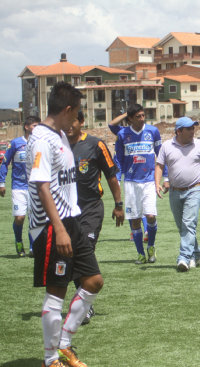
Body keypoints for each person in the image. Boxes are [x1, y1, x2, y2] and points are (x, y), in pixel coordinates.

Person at [26, 81, 103, 367]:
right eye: (77, 113)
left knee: (94, 281)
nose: (77, 119)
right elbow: (42, 186)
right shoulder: (41, 139)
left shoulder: (59, 135)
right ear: (68, 109)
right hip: (51, 226)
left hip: (72, 221)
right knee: (56, 292)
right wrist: (58, 229)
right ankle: (50, 359)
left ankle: (64, 344)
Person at [65, 111, 124, 325]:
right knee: (71, 256)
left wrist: (118, 205)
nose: (69, 126)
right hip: (67, 211)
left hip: (91, 208)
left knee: (86, 250)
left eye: (74, 121)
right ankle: (84, 302)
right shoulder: (58, 145)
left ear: (81, 122)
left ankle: (84, 306)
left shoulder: (95, 145)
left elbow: (111, 175)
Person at [155, 117, 200, 272]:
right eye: (189, 129)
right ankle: (196, 254)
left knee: (188, 223)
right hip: (175, 192)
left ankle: (183, 258)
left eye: (193, 128)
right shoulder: (167, 146)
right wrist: (157, 183)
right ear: (179, 131)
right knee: (183, 227)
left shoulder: (199, 144)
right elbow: (160, 166)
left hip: (194, 189)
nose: (192, 131)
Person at [114, 105, 163, 264]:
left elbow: (161, 156)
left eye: (143, 116)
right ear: (130, 119)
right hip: (130, 182)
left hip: (148, 181)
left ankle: (151, 246)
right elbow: (119, 160)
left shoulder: (153, 131)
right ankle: (141, 254)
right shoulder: (122, 134)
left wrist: (166, 177)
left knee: (150, 216)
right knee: (135, 220)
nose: (142, 119)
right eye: (138, 117)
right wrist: (118, 178)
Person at [0, 115, 39, 257]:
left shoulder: (39, 143)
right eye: (35, 125)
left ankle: (32, 247)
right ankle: (18, 241)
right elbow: (4, 163)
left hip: (35, 186)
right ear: (27, 127)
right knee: (20, 218)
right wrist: (1, 183)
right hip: (18, 186)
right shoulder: (16, 143)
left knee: (33, 218)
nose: (37, 128)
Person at [109, 112, 149, 242]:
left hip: (137, 171)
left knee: (142, 204)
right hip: (123, 172)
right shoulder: (123, 132)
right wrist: (126, 113)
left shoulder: (144, 131)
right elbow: (112, 124)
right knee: (131, 205)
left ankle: (146, 230)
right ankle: (135, 232)